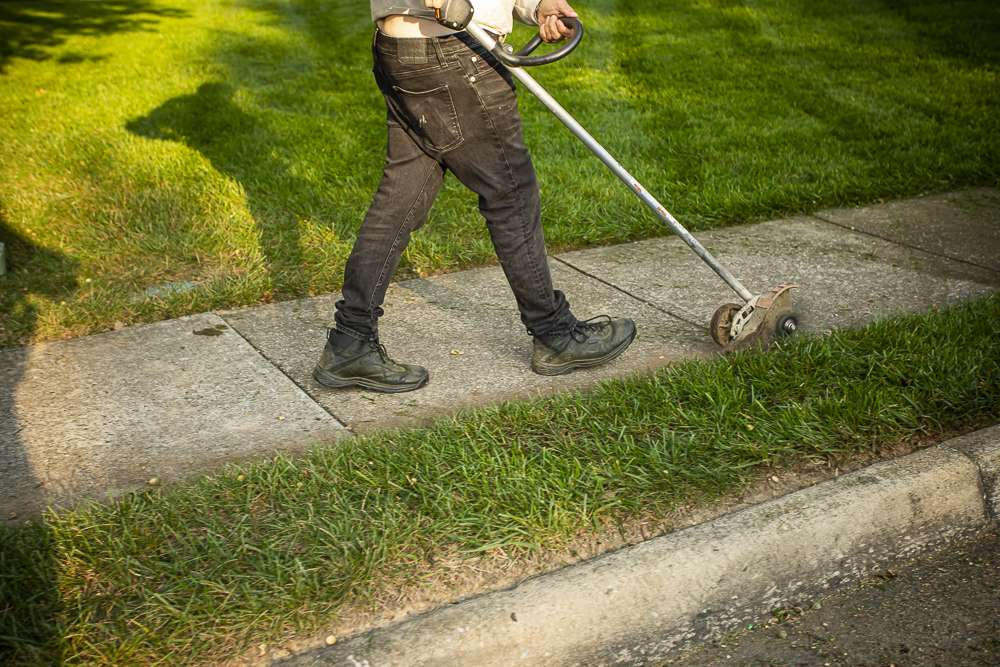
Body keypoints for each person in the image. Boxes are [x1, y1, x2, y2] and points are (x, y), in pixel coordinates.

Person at [313, 0, 636, 393]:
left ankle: (349, 341)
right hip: (451, 50)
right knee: (511, 194)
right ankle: (555, 334)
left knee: (401, 199)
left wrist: (537, 6)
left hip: (411, 50)